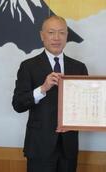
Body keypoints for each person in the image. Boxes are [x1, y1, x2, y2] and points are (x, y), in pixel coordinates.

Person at [12, 15, 88, 172]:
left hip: (68, 147)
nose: (56, 38)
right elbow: (18, 104)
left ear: (67, 36)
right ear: (42, 36)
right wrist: (42, 89)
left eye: (61, 33)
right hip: (39, 147)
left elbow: (85, 106)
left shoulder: (79, 68)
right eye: (51, 32)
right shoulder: (28, 66)